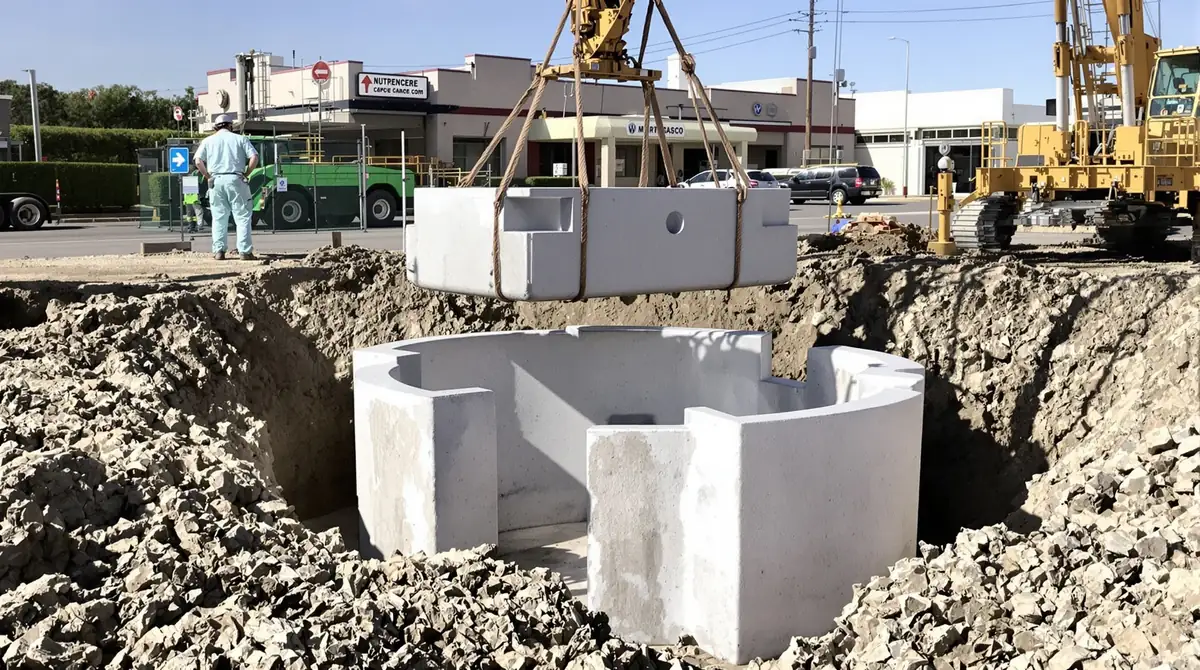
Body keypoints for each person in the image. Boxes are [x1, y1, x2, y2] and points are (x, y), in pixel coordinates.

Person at [194, 113, 259, 260]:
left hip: (216, 180)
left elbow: (198, 161)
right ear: (230, 126)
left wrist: (207, 176)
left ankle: (219, 251)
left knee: (218, 217)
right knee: (242, 216)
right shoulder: (240, 139)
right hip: (236, 178)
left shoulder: (208, 141)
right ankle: (244, 251)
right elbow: (254, 157)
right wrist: (247, 173)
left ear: (216, 127)